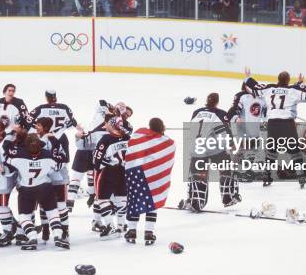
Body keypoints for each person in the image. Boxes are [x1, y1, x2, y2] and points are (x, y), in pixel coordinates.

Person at [244, 67, 306, 187]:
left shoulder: (269, 89)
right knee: (294, 151)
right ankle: (301, 177)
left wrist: (248, 77)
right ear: (288, 81)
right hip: (287, 123)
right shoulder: (293, 90)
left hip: (272, 124)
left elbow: (255, 88)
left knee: (272, 150)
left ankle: (266, 176)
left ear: (278, 79)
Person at [4, 131, 69, 250]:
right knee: (52, 213)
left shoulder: (18, 156)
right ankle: (58, 236)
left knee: (24, 217)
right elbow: (62, 160)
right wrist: (53, 140)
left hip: (26, 189)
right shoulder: (48, 155)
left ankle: (32, 237)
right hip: (45, 187)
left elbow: (6, 153)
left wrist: (14, 136)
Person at [180, 92, 240, 212]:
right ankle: (228, 197)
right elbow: (224, 134)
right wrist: (232, 147)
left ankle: (196, 199)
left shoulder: (196, 112)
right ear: (217, 102)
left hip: (197, 149)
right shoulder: (220, 114)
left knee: (198, 175)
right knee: (226, 169)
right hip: (214, 149)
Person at [124, 117, 174, 245]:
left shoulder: (139, 136)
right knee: (152, 204)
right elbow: (167, 153)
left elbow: (130, 151)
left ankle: (132, 231)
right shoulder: (166, 142)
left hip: (136, 174)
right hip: (154, 177)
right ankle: (149, 233)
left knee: (135, 202)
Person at [92, 116, 130, 238]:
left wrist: (97, 168)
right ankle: (121, 225)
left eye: (108, 122)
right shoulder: (127, 137)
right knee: (121, 198)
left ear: (113, 125)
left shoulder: (106, 138)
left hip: (107, 171)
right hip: (123, 171)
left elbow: (96, 159)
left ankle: (110, 226)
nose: (106, 124)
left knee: (102, 199)